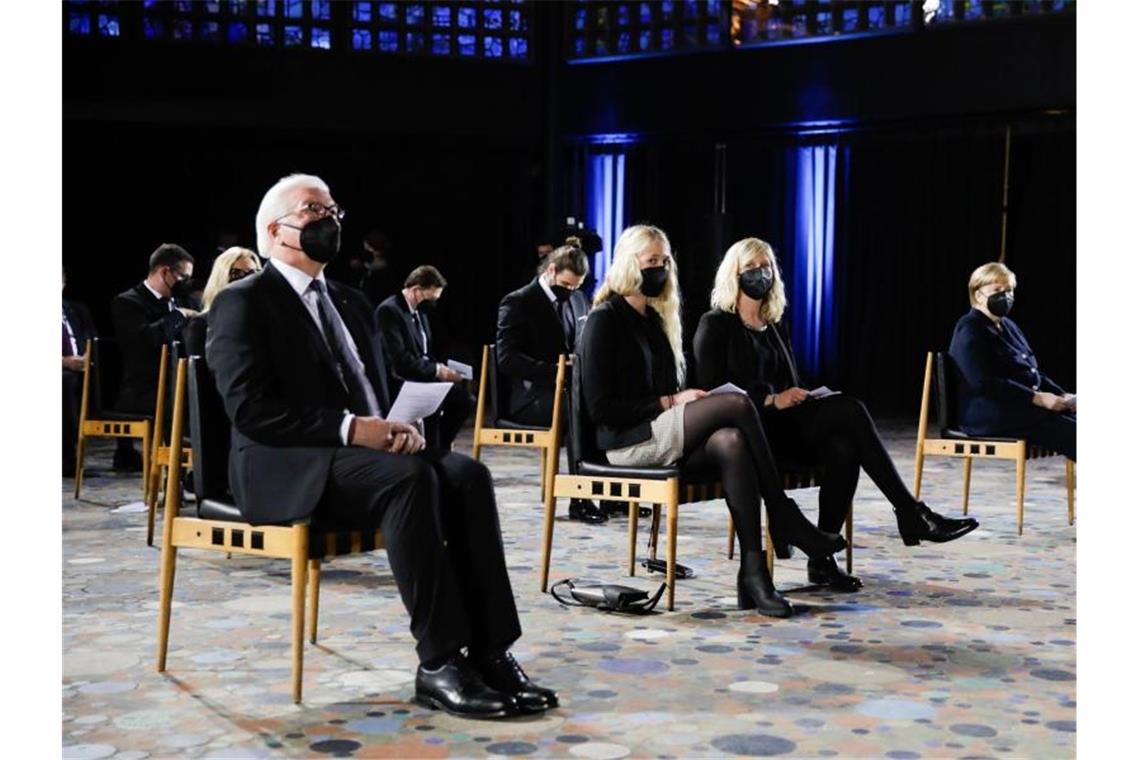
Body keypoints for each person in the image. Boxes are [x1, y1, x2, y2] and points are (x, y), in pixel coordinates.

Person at [207, 174, 554, 718]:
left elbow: (375, 389)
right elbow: (252, 410)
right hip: (287, 464)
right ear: (276, 231)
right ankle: (439, 662)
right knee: (410, 482)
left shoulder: (350, 301)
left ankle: (490, 649)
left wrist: (400, 422)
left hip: (358, 456)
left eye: (332, 209)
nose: (330, 221)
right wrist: (352, 428)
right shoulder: (244, 302)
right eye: (313, 211)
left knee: (467, 476)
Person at [577, 224, 847, 618]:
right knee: (736, 405)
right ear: (628, 264)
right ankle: (784, 515)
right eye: (652, 261)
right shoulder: (604, 319)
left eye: (665, 261)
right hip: (627, 442)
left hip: (662, 430)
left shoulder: (653, 321)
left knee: (732, 443)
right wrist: (672, 400)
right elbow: (601, 410)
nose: (661, 269)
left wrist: (679, 399)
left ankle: (754, 575)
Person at [694, 238, 978, 592]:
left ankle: (822, 558)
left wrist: (800, 395)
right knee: (852, 410)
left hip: (786, 427)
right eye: (751, 268)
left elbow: (790, 381)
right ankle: (910, 512)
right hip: (751, 435)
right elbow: (711, 391)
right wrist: (770, 400)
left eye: (766, 267)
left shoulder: (775, 324)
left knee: (844, 446)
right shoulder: (715, 324)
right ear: (734, 275)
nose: (760, 274)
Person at [496, 238, 609, 524]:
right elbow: (506, 359)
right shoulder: (518, 301)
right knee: (577, 410)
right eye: (567, 285)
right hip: (531, 397)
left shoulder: (577, 299)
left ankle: (611, 494)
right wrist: (555, 370)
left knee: (602, 404)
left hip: (569, 389)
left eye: (576, 287)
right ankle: (580, 498)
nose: (571, 292)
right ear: (552, 271)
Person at [948, 261, 1075, 460]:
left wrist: (1062, 395)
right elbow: (982, 383)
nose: (1005, 296)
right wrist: (1037, 398)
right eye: (997, 290)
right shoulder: (969, 327)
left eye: (1009, 290)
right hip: (989, 414)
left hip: (1016, 409)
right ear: (978, 294)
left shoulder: (1008, 327)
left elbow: (1031, 371)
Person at [110, 243, 200, 471]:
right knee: (183, 402)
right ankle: (177, 473)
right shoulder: (128, 302)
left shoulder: (183, 300)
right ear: (165, 272)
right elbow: (144, 341)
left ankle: (204, 470)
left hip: (179, 381)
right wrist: (178, 316)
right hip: (146, 388)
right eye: (183, 277)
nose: (187, 283)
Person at [375, 266, 475, 451]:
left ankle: (441, 447)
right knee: (433, 406)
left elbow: (426, 352)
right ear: (416, 290)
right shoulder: (389, 311)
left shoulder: (420, 313)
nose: (433, 303)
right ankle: (433, 450)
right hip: (403, 381)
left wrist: (443, 368)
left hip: (424, 377)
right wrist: (438, 371)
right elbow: (400, 360)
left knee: (465, 401)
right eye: (431, 298)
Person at [182, 246, 262, 356]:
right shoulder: (202, 325)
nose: (245, 281)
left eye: (253, 274)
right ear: (221, 279)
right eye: (236, 274)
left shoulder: (266, 322)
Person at [63, 268, 97, 477]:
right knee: (65, 381)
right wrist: (63, 362)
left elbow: (92, 339)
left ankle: (125, 449)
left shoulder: (76, 310)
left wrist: (88, 357)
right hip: (62, 371)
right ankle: (68, 454)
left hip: (82, 367)